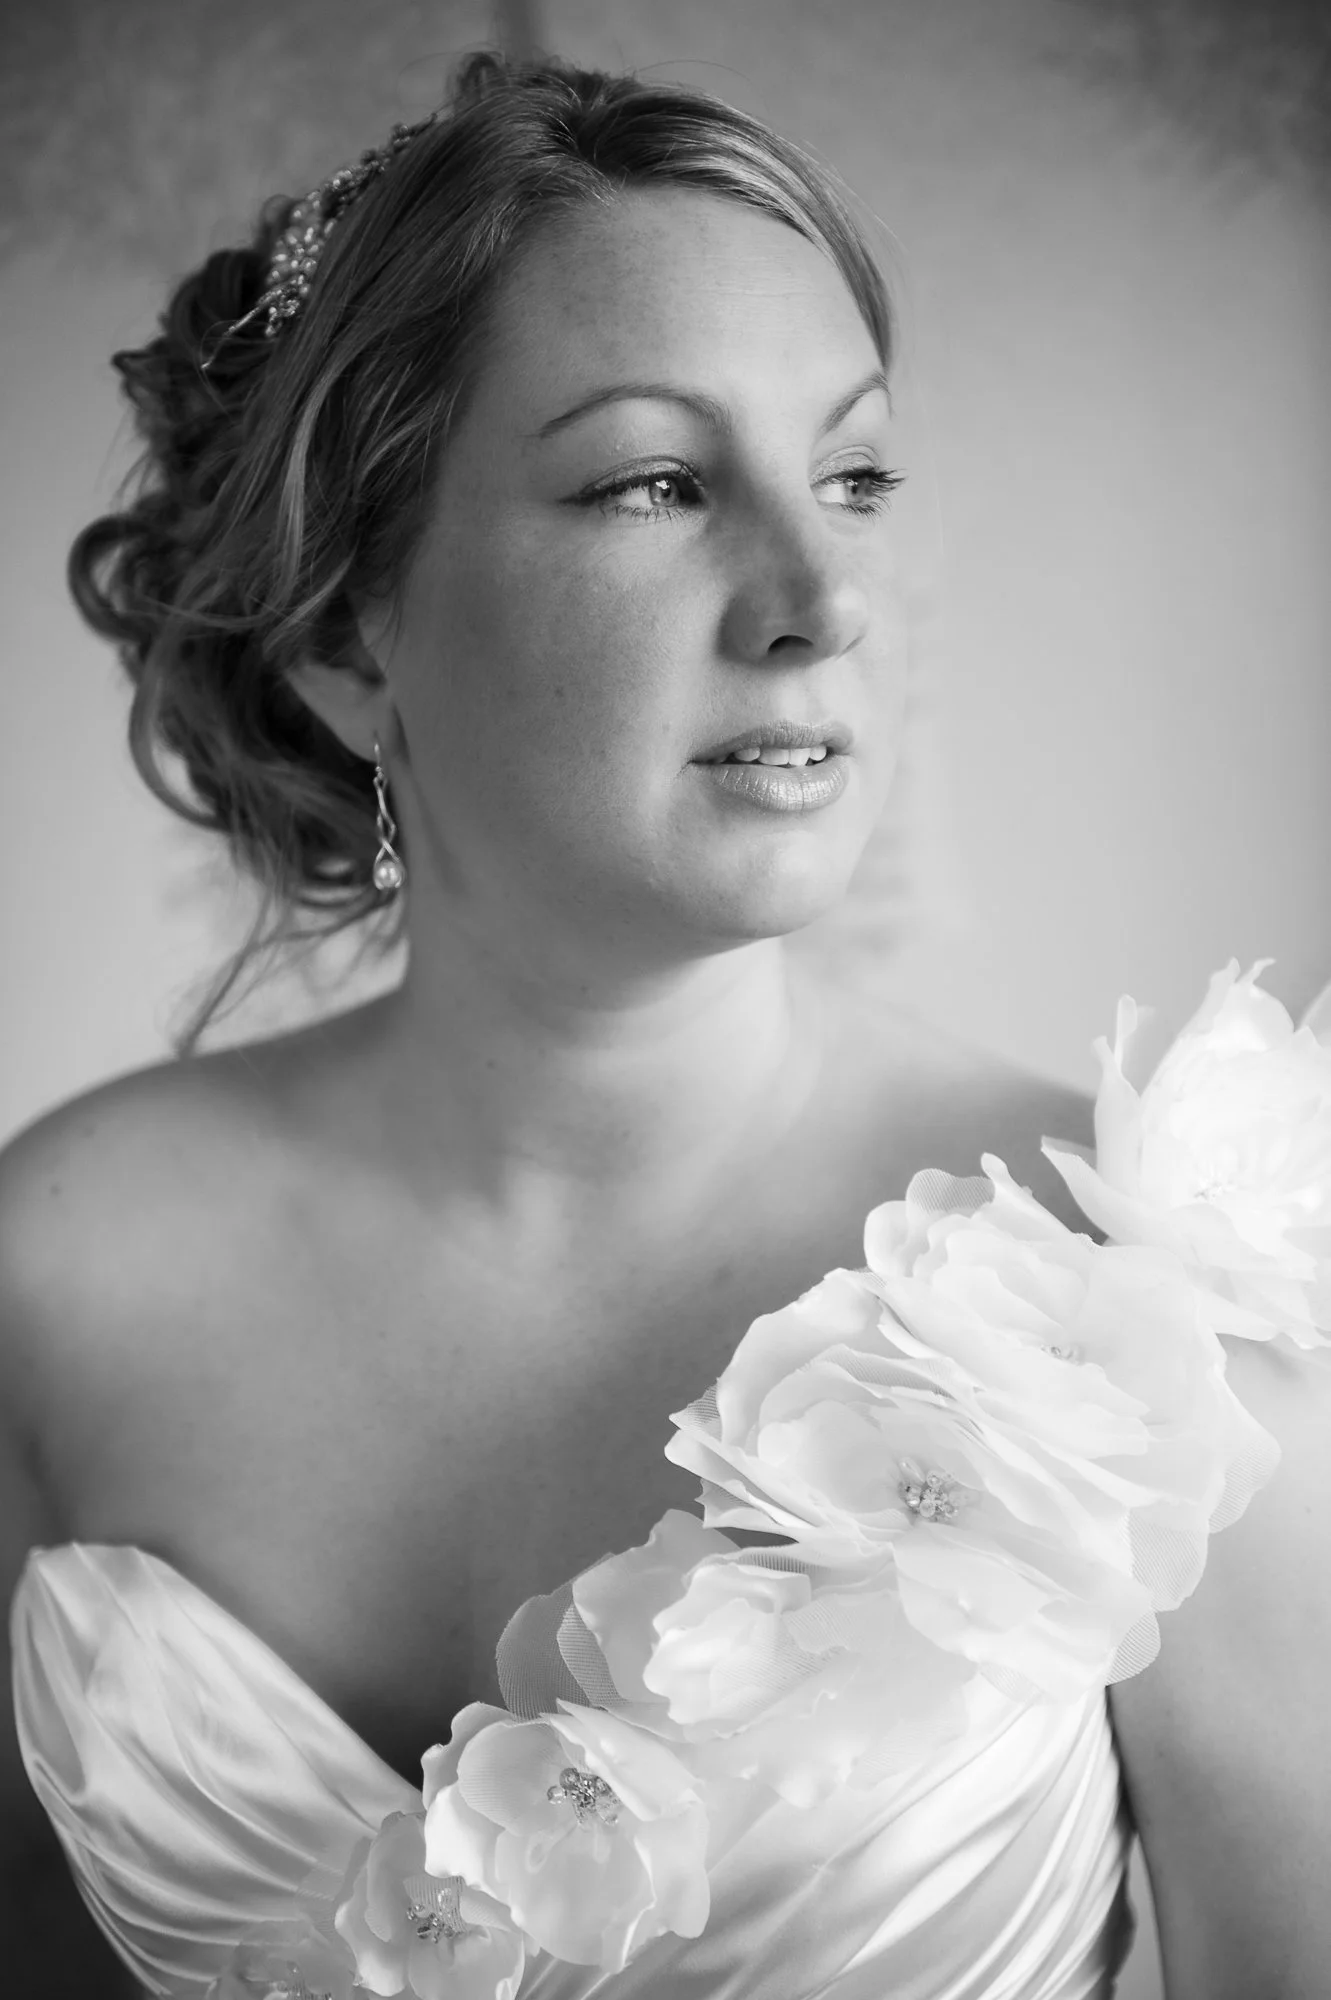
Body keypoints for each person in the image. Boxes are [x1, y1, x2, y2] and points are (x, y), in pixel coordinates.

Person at [2, 46, 1326, 2000]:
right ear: (352, 636)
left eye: (854, 473)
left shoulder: (1153, 1309)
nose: (816, 596)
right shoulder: (57, 1265)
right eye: (655, 478)